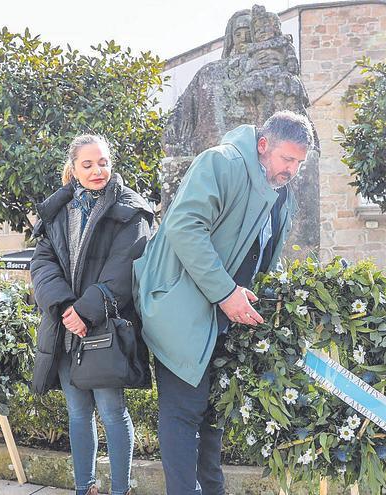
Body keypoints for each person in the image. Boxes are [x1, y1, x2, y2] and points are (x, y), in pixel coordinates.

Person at [133, 110, 315, 494]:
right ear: (263, 145)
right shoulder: (220, 162)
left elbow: (263, 259)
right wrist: (226, 293)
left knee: (212, 419)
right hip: (181, 314)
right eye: (287, 159)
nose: (292, 170)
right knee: (183, 416)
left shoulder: (281, 193)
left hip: (224, 322)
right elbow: (184, 226)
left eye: (299, 162)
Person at [30, 135, 154, 495]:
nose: (97, 170)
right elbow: (42, 263)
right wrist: (65, 307)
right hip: (66, 327)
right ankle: (84, 488)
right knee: (78, 413)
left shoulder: (130, 209)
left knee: (112, 411)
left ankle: (120, 489)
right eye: (87, 164)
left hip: (105, 328)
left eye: (102, 162)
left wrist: (86, 310)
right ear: (73, 169)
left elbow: (124, 266)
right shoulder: (57, 212)